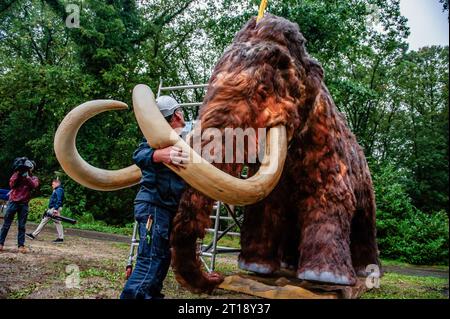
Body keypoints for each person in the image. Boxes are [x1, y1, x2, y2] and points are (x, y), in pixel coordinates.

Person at [120, 95, 190, 299]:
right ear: (177, 114)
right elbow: (139, 154)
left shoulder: (185, 138)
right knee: (151, 257)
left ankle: (152, 294)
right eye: (181, 111)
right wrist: (159, 155)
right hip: (153, 205)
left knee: (162, 256)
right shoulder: (155, 137)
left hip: (166, 207)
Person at [0, 158, 39, 253]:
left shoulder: (33, 178)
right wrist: (18, 174)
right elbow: (12, 185)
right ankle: (0, 244)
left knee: (22, 226)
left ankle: (21, 246)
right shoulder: (16, 174)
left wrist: (27, 177)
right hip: (13, 202)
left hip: (24, 204)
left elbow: (34, 185)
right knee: (6, 225)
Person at [26, 179, 65, 243]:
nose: (52, 185)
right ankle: (60, 238)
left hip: (54, 208)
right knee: (53, 222)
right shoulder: (57, 190)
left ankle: (33, 235)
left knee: (50, 222)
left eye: (53, 184)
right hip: (53, 208)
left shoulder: (59, 190)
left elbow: (59, 200)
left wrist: (55, 209)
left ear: (57, 183)